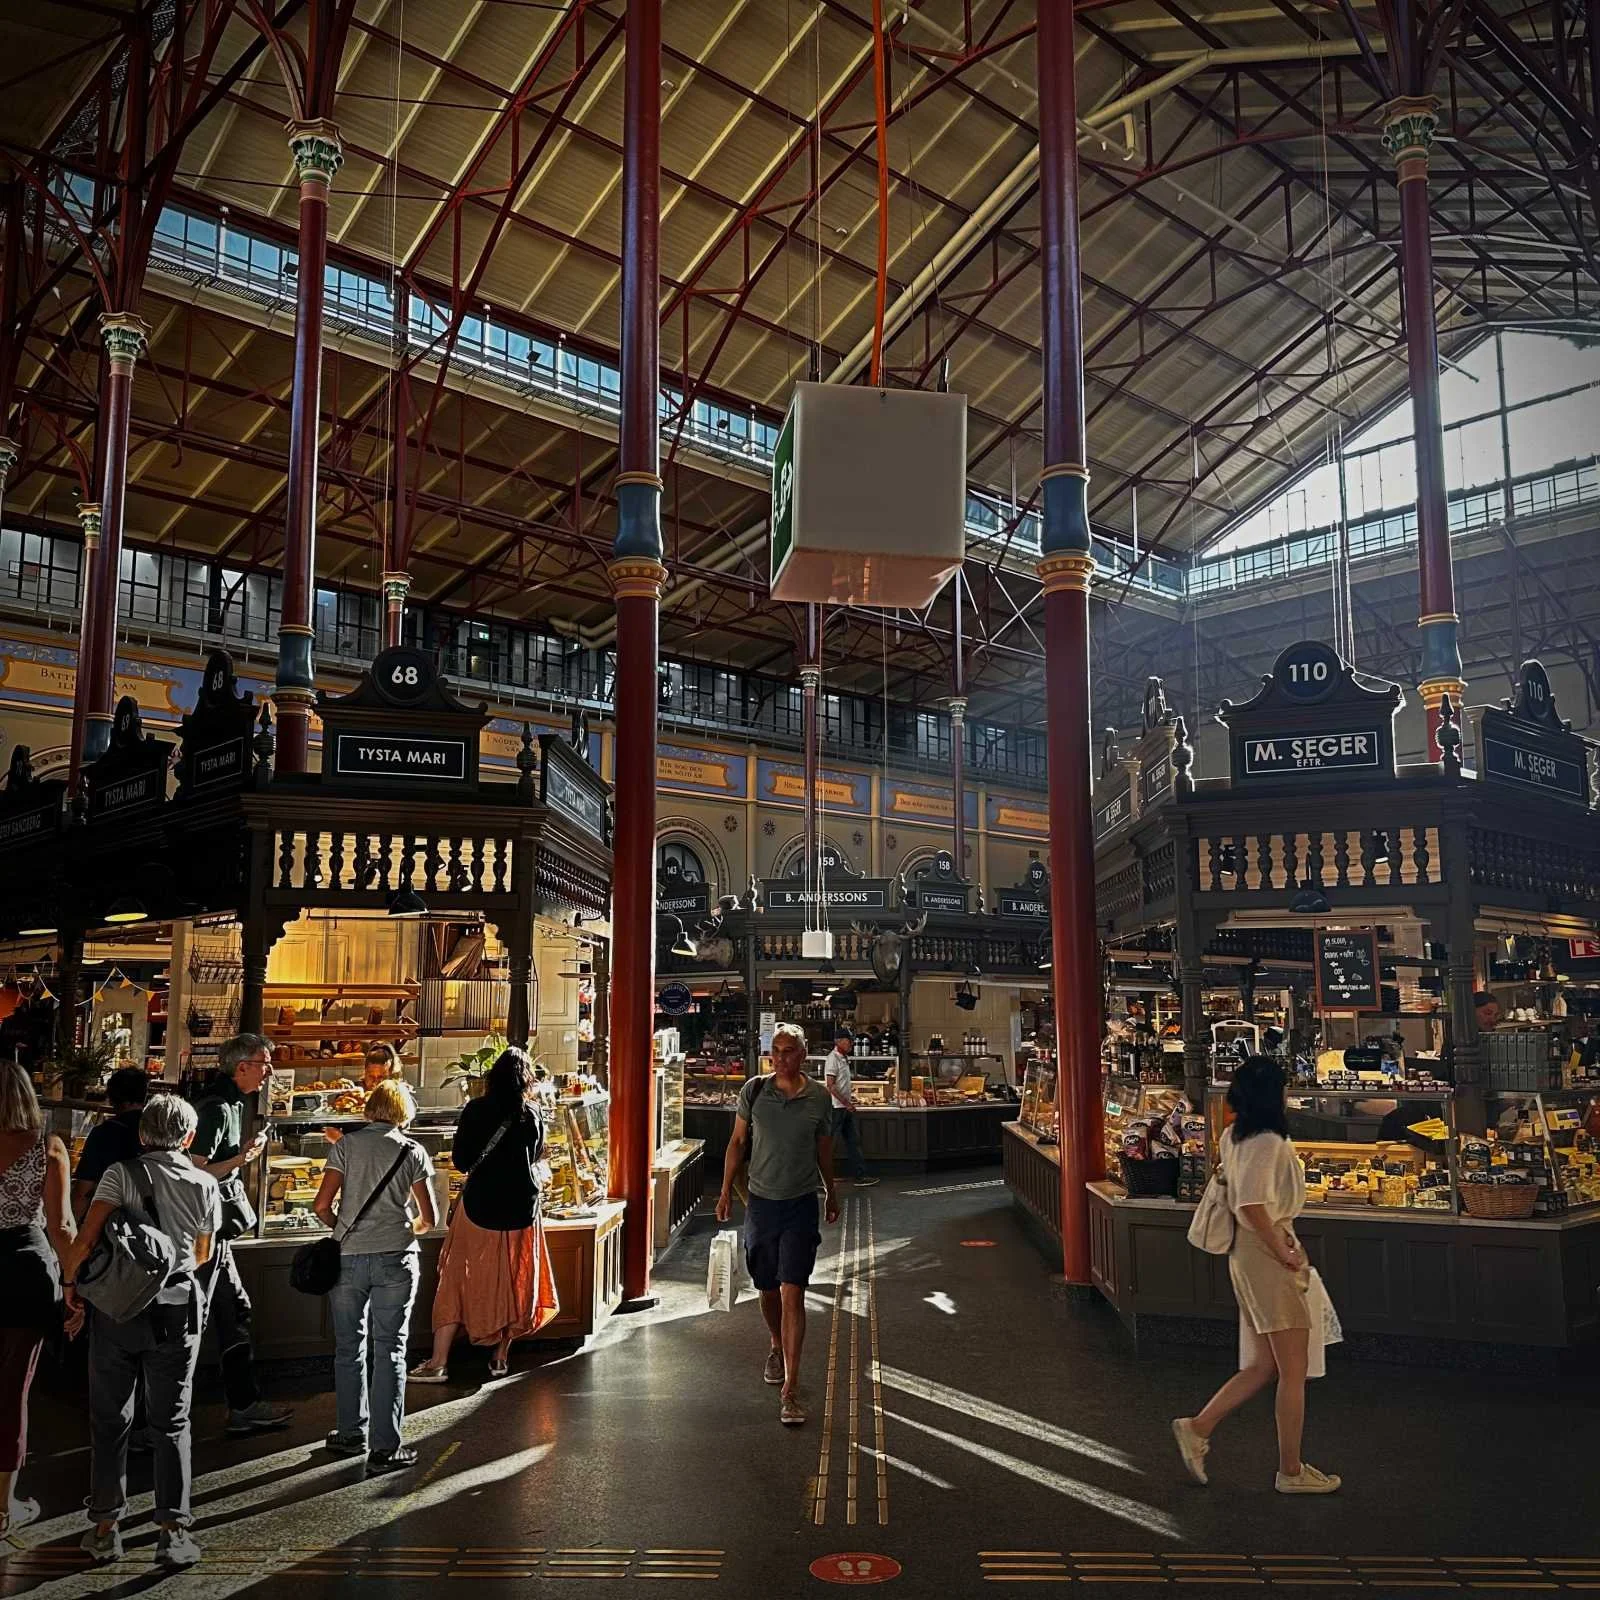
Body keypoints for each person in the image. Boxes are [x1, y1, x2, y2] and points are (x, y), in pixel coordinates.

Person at [1172, 1055, 1340, 1495]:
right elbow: (1250, 1205)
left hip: (1248, 1255)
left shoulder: (1233, 1135)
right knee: (1293, 1370)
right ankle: (1290, 1471)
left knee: (1265, 1365)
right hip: (1266, 1256)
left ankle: (1197, 1427)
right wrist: (1282, 1249)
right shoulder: (1267, 1141)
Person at [68, 1095, 220, 1568]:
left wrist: (72, 1287)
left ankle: (105, 1529)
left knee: (110, 1419)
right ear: (189, 1138)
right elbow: (203, 1254)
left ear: (141, 1134)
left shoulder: (120, 1174)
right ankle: (172, 1533)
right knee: (171, 1422)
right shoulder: (205, 1184)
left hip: (118, 1310)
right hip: (177, 1311)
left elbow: (87, 1238)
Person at [716, 1022, 838, 1427]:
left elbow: (824, 1148)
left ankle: (791, 1387)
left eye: (788, 1051)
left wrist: (832, 1192)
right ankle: (775, 1343)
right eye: (776, 1051)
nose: (780, 1058)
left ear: (803, 1054)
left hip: (800, 1204)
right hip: (761, 1205)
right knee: (767, 1289)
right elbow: (737, 1143)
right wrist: (723, 1192)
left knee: (793, 1290)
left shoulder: (819, 1097)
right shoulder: (754, 1091)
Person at [410, 1048, 557, 1385]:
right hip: (522, 1208)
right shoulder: (533, 1113)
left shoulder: (476, 1109)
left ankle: (438, 1362)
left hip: (479, 1206)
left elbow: (462, 1161)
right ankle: (500, 1357)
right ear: (526, 1081)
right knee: (514, 1280)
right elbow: (537, 1154)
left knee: (455, 1279)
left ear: (492, 1078)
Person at [312, 1080, 435, 1472]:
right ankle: (385, 1448)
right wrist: (407, 1230)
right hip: (396, 1259)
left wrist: (342, 1229)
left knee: (349, 1347)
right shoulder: (413, 1151)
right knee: (390, 1349)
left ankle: (350, 1433)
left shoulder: (346, 1146)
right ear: (404, 1112)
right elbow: (429, 1218)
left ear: (370, 1109)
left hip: (348, 1258)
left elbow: (321, 1204)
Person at [189, 1034, 292, 1436]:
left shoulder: (231, 1104)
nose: (269, 1071)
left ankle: (242, 1405)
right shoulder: (218, 1108)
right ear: (241, 1066)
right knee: (212, 1313)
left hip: (214, 1230)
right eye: (264, 1063)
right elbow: (193, 1171)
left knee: (232, 1310)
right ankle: (167, 1416)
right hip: (204, 1231)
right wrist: (241, 1159)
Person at [0, 1060, 79, 1541]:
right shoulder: (48, 1148)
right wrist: (73, 1288)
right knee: (12, 1393)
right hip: (25, 1276)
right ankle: (3, 1508)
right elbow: (62, 1226)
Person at [72, 1067, 151, 1222]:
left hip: (109, 1222)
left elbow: (83, 1192)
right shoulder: (157, 1131)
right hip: (151, 1220)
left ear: (112, 1098)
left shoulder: (103, 1133)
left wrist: (73, 1225)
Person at [823, 1026, 876, 1189]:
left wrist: (849, 1100)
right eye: (848, 1041)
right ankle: (821, 1178)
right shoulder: (833, 1059)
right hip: (836, 1108)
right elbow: (830, 1085)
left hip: (845, 1108)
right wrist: (846, 1103)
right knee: (830, 1144)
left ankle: (861, 1176)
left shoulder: (844, 1058)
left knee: (853, 1142)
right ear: (839, 1041)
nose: (851, 1044)